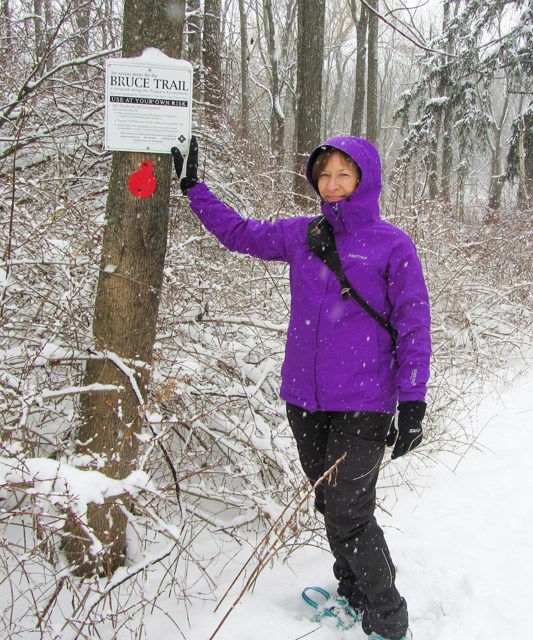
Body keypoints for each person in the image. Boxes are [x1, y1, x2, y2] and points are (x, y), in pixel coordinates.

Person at [172, 135, 431, 640]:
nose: (332, 184)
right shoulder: (302, 234)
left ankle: (388, 618)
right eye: (324, 173)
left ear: (365, 180)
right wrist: (193, 188)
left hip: (364, 402)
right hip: (306, 402)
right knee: (327, 501)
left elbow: (413, 323)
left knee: (349, 509)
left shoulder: (392, 244)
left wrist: (413, 399)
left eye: (344, 174)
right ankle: (354, 590)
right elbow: (240, 233)